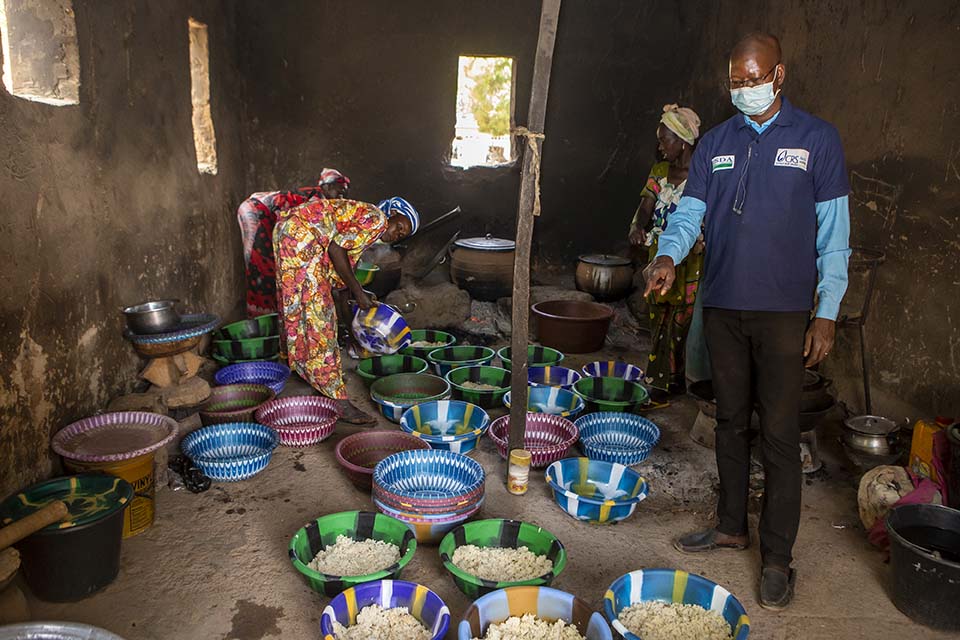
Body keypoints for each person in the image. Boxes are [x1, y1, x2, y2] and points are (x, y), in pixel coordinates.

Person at [643, 33, 850, 609]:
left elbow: (835, 239)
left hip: (785, 314)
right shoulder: (715, 143)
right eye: (735, 80)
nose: (743, 89)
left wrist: (825, 312)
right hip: (724, 307)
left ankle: (778, 557)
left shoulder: (817, 140)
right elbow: (690, 212)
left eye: (753, 78)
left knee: (779, 437)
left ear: (778, 75)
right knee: (730, 420)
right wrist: (667, 254)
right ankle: (731, 525)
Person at [274, 196, 419, 425]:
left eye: (402, 235)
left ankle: (297, 366)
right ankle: (337, 400)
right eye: (399, 226)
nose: (396, 234)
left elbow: (341, 287)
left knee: (297, 305)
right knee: (319, 317)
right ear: (392, 214)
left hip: (290, 230)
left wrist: (353, 327)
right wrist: (359, 292)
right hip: (304, 235)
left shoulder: (359, 227)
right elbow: (335, 249)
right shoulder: (376, 218)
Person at [629, 104, 703, 397]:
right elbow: (645, 207)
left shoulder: (702, 174)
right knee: (658, 316)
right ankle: (659, 378)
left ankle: (678, 379)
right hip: (659, 253)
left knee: (683, 318)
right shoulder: (659, 172)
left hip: (691, 257)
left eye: (665, 140)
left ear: (683, 141)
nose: (660, 147)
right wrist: (637, 227)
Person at [237, 168, 351, 316]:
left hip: (264, 215)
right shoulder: (317, 201)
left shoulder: (322, 201)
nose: (342, 198)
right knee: (261, 266)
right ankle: (262, 319)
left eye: (345, 194)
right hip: (257, 211)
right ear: (327, 187)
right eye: (340, 192)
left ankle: (270, 316)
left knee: (274, 266)